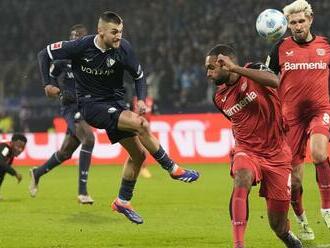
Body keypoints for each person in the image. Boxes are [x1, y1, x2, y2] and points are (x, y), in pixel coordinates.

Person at [37, 11, 199, 224]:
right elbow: (44, 54)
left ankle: (122, 201)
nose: (118, 36)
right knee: (141, 123)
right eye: (114, 32)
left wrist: (141, 99)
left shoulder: (124, 48)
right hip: (91, 105)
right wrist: (48, 84)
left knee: (139, 156)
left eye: (120, 32)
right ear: (100, 31)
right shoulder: (80, 46)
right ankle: (172, 168)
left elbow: (139, 76)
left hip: (116, 105)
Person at [205, 44, 302, 248]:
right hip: (247, 151)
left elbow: (275, 81)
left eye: (212, 67)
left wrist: (236, 68)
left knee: (278, 226)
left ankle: (288, 238)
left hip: (277, 154)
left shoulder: (254, 68)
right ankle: (238, 244)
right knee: (242, 178)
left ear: (226, 64)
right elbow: (237, 121)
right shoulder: (219, 98)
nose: (208, 74)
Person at [266, 0, 330, 239]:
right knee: (294, 183)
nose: (298, 26)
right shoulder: (280, 49)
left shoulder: (326, 45)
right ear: (288, 25)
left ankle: (327, 208)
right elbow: (268, 81)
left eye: (301, 21)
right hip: (290, 118)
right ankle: (303, 222)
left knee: (320, 153)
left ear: (310, 20)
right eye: (293, 23)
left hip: (319, 110)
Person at [29, 24, 95, 205]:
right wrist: (56, 90)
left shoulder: (91, 59)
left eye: (79, 38)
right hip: (70, 107)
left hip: (86, 107)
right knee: (88, 139)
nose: (75, 41)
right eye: (73, 38)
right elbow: (51, 76)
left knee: (65, 152)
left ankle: (37, 173)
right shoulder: (62, 60)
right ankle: (83, 192)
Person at [0, 134, 26, 198]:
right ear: (12, 143)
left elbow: (3, 170)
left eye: (22, 147)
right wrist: (15, 173)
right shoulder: (5, 147)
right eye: (18, 146)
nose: (20, 149)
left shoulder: (10, 154)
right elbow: (1, 162)